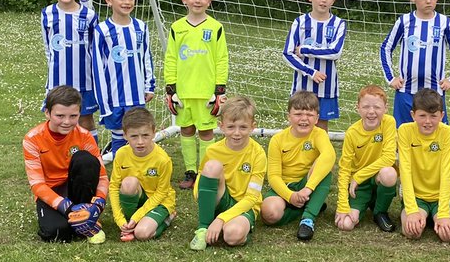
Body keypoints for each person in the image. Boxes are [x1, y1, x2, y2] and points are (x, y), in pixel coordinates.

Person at [163, 0, 228, 190]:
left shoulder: (216, 27)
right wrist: (170, 89)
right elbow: (171, 57)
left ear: (209, 1)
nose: (197, 1)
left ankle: (204, 171)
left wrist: (219, 90)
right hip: (183, 92)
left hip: (206, 92)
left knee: (206, 132)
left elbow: (221, 59)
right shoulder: (177, 27)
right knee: (187, 130)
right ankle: (190, 170)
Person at [22, 85, 109, 243]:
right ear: (47, 113)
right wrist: (65, 207)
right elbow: (37, 184)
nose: (67, 122)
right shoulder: (32, 139)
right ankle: (80, 220)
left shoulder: (85, 136)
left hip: (76, 187)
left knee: (85, 159)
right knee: (56, 234)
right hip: (51, 191)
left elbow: (102, 176)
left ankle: (85, 212)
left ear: (79, 114)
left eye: (73, 116)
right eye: (60, 116)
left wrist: (99, 203)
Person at [379, 0, 450, 126]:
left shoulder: (444, 23)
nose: (428, 1)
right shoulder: (404, 21)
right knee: (403, 134)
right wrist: (391, 78)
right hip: (406, 91)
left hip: (435, 93)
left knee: (435, 134)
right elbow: (386, 47)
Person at [191, 95, 267, 250]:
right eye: (231, 127)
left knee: (232, 236)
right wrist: (200, 196)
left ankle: (233, 226)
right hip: (221, 198)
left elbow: (252, 197)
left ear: (252, 127)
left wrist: (221, 219)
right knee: (212, 167)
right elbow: (201, 178)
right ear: (221, 126)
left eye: (243, 127)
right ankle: (203, 228)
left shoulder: (258, 153)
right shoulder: (213, 150)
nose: (237, 133)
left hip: (244, 205)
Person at [262, 90, 336, 241]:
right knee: (269, 215)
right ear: (289, 116)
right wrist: (290, 196)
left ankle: (308, 219)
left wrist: (307, 189)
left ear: (316, 118)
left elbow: (330, 156)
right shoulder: (277, 140)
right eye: (298, 114)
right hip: (285, 186)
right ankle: (305, 206)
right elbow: (274, 176)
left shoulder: (319, 134)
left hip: (307, 184)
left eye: (309, 114)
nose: (304, 119)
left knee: (324, 168)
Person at [93, 0, 155, 155]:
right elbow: (98, 68)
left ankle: (140, 172)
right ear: (109, 0)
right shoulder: (102, 31)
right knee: (119, 137)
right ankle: (121, 172)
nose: (127, 2)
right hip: (115, 96)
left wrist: (149, 85)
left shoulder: (140, 27)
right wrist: (104, 104)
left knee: (138, 135)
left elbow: (146, 57)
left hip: (136, 96)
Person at [41, 0, 99, 138]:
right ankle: (59, 154)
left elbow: (94, 48)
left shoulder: (88, 15)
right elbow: (47, 46)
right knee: (57, 119)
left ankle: (92, 154)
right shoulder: (47, 14)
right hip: (57, 80)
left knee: (85, 119)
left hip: (84, 80)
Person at [396, 88, 450, 243]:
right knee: (412, 233)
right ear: (413, 115)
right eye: (422, 116)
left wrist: (444, 213)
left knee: (449, 235)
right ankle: (422, 214)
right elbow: (404, 170)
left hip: (441, 197)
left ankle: (446, 211)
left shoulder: (447, 133)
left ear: (442, 116)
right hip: (417, 198)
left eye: (433, 116)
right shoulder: (404, 131)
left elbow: (446, 173)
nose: (427, 121)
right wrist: (411, 211)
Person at [283, 0, 346, 131]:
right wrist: (311, 72)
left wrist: (305, 49)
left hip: (327, 87)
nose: (323, 0)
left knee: (321, 128)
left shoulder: (339, 24)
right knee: (299, 126)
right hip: (302, 88)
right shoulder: (299, 22)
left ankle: (321, 156)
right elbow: (287, 53)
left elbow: (335, 51)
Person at [335, 86, 399, 233]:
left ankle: (380, 212)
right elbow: (344, 169)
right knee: (345, 224)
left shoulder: (389, 122)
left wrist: (358, 176)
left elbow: (389, 157)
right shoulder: (352, 133)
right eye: (366, 107)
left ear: (385, 108)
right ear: (358, 108)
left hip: (377, 177)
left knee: (389, 174)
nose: (371, 112)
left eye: (377, 107)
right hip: (359, 185)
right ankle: (366, 201)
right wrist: (342, 204)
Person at [109, 107, 175, 242]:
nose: (140, 142)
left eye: (145, 135)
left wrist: (137, 217)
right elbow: (114, 187)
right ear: (125, 135)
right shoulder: (121, 154)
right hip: (137, 197)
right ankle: (128, 224)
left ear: (153, 133)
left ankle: (168, 217)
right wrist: (119, 219)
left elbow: (161, 193)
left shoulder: (163, 160)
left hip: (159, 202)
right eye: (134, 136)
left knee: (142, 234)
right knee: (128, 183)